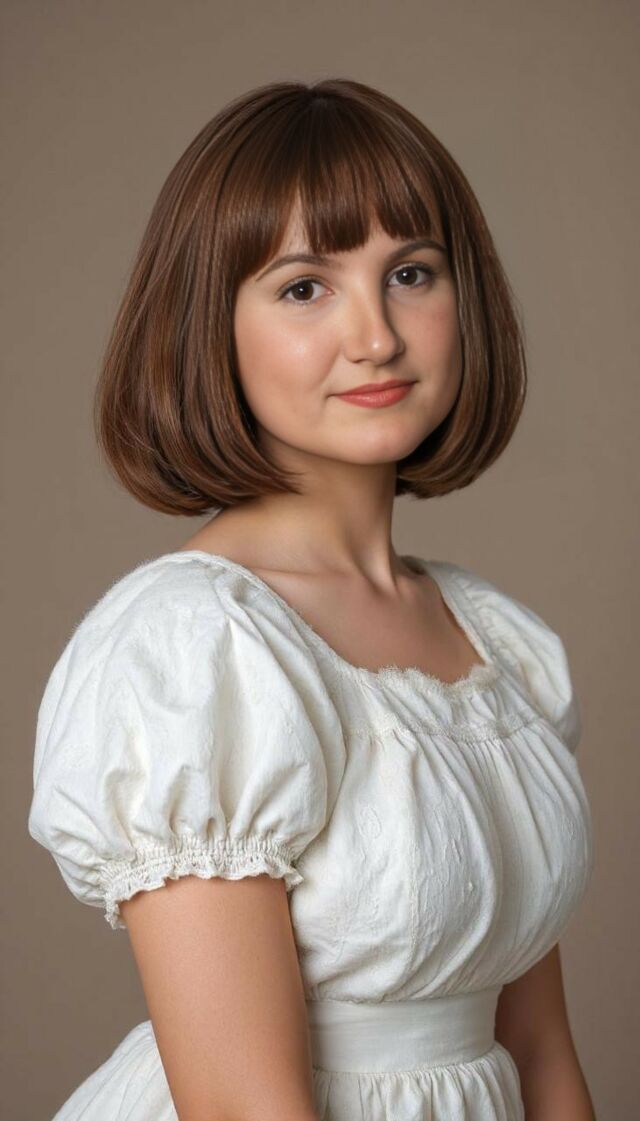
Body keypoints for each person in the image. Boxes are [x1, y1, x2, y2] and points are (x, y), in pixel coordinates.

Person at [27, 78, 596, 1121]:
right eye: (303, 288)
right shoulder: (194, 649)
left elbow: (539, 1050)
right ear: (211, 325)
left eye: (410, 273)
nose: (376, 336)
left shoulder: (495, 642)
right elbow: (244, 1105)